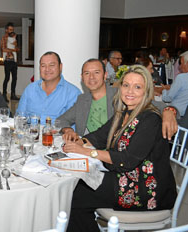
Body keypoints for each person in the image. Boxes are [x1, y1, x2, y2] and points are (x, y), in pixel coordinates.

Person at [64, 65, 177, 232]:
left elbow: (127, 160)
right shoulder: (123, 113)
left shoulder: (150, 119)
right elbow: (100, 135)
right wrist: (80, 141)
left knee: (74, 197)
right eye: (126, 85)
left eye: (137, 87)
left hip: (146, 189)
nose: (130, 91)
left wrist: (87, 152)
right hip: (124, 177)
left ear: (146, 91)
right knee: (75, 188)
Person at [58, 58, 178, 142]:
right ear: (82, 78)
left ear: (105, 75)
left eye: (96, 72)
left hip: (118, 156)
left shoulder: (122, 95)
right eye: (87, 73)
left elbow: (155, 105)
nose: (92, 77)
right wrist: (68, 130)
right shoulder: (83, 99)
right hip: (90, 149)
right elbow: (61, 120)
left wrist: (168, 111)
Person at [17, 51, 81, 123]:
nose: (47, 69)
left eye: (52, 65)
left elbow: (72, 128)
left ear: (60, 67)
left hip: (58, 134)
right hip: (31, 133)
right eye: (43, 65)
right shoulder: (30, 89)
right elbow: (19, 118)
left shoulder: (73, 93)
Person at [158, 51, 188, 117]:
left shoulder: (181, 78)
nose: (180, 66)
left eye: (181, 63)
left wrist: (164, 89)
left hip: (176, 114)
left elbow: (167, 98)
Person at [1, 22, 19, 102]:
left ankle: (13, 94)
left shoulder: (14, 38)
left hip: (14, 61)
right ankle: (4, 95)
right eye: (10, 29)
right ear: (6, 30)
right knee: (7, 78)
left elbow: (17, 49)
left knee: (15, 78)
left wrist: (16, 47)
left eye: (12, 29)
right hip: (7, 60)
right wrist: (13, 50)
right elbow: (3, 49)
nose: (11, 31)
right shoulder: (4, 38)